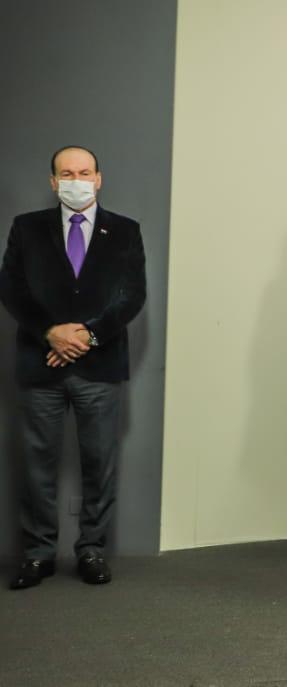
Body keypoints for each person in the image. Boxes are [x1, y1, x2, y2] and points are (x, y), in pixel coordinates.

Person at [0, 146, 146, 589]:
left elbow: (132, 295)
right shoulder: (26, 228)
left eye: (84, 172)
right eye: (67, 174)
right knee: (36, 464)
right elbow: (12, 289)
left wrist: (86, 336)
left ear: (98, 178)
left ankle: (92, 550)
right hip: (39, 364)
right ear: (53, 182)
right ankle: (38, 553)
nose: (76, 180)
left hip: (100, 366)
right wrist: (51, 332)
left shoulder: (125, 230)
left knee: (99, 462)